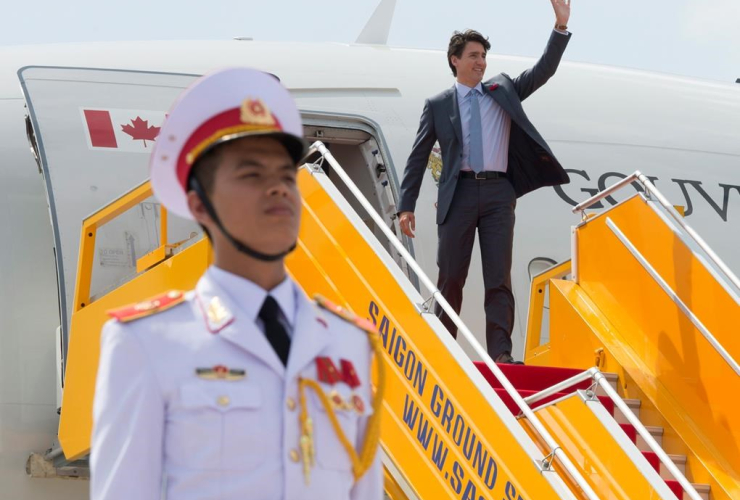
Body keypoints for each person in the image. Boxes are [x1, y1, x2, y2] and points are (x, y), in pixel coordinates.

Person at [90, 68, 383, 500]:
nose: (279, 190)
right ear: (198, 205)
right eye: (251, 175)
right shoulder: (146, 343)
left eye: (286, 176)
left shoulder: (348, 342)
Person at [397, 0, 573, 364]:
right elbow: (417, 158)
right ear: (455, 60)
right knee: (451, 279)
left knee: (498, 279)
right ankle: (444, 348)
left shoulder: (502, 89)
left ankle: (502, 355)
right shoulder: (437, 104)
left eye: (483, 56)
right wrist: (405, 206)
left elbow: (543, 71)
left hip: (498, 193)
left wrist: (560, 27)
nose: (481, 62)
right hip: (458, 193)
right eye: (474, 55)